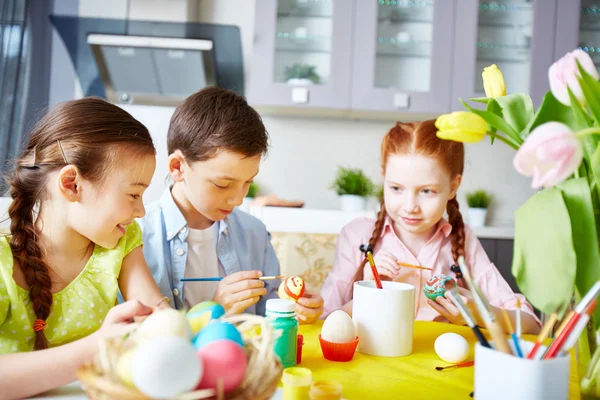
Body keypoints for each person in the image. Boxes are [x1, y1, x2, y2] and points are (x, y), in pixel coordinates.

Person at [0, 98, 168, 398]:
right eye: (133, 194)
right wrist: (94, 349)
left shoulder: (122, 241)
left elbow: (160, 321)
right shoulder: (3, 260)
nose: (141, 210)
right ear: (72, 184)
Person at [321, 120, 540, 334]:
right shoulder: (357, 236)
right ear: (384, 177)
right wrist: (367, 292)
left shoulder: (461, 240)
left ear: (453, 186)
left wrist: (476, 312)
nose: (410, 207)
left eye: (427, 191)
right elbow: (326, 320)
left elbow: (530, 323)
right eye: (396, 188)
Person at [140, 86, 323, 323]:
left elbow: (270, 317)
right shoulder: (137, 238)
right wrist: (215, 310)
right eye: (222, 184)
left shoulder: (254, 234)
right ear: (178, 167)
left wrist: (294, 310)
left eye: (248, 182)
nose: (237, 199)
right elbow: (138, 338)